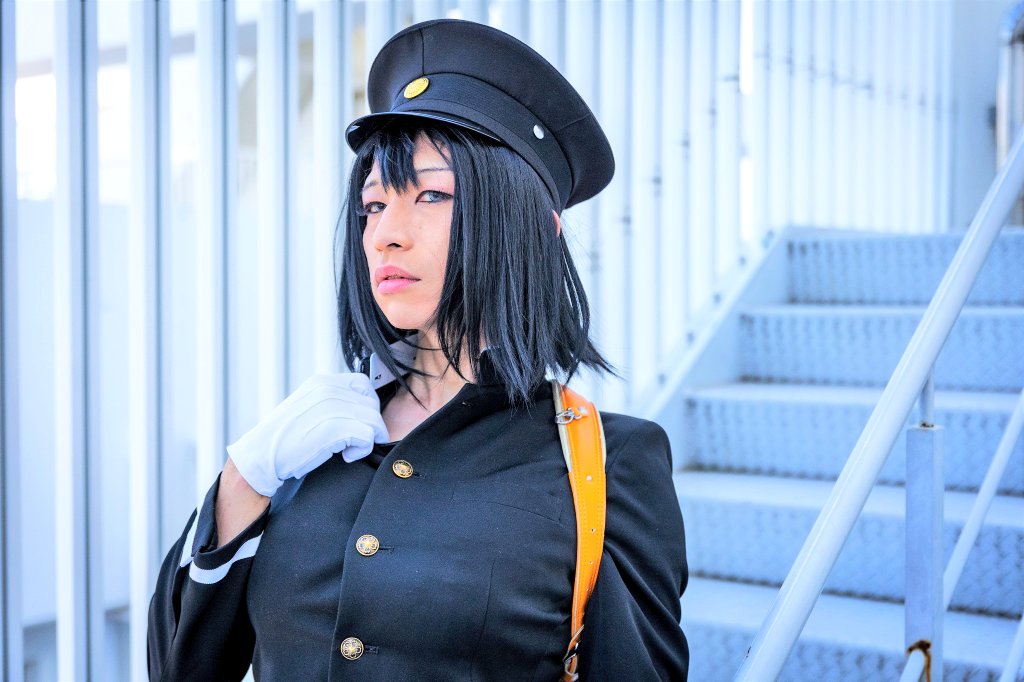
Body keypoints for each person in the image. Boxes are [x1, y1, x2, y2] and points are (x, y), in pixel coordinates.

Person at [148, 18, 688, 681]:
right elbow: (179, 668)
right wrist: (245, 478)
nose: (385, 235)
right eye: (374, 206)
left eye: (431, 194)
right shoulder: (315, 440)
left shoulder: (607, 463)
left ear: (535, 228)